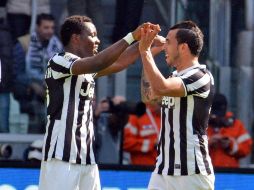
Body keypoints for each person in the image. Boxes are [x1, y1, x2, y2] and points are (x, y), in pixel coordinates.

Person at [38, 15, 162, 190]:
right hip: (61, 156)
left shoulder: (86, 69)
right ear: (76, 38)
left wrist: (146, 43)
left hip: (87, 157)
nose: (97, 40)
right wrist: (132, 36)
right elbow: (98, 62)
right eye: (93, 35)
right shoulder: (59, 61)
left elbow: (119, 62)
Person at [139, 21, 215, 190]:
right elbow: (148, 97)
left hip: (191, 172)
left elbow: (160, 87)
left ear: (183, 48)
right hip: (163, 169)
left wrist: (145, 52)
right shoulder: (174, 76)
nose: (164, 46)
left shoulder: (200, 76)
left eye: (168, 42)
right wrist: (149, 54)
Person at [12, 13, 62, 133]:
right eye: (46, 27)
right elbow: (16, 74)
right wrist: (33, 85)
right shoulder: (24, 44)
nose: (50, 31)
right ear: (37, 27)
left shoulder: (57, 45)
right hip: (29, 93)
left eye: (52, 28)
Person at [208, 93, 252, 168]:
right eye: (214, 115)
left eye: (220, 115)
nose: (217, 118)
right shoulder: (199, 124)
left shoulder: (236, 125)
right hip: (205, 174)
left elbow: (247, 149)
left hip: (229, 174)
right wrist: (208, 142)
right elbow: (189, 149)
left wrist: (229, 145)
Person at [0, 18, 13, 133]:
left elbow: (6, 60)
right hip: (3, 85)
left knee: (3, 128)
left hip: (2, 87)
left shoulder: (4, 34)